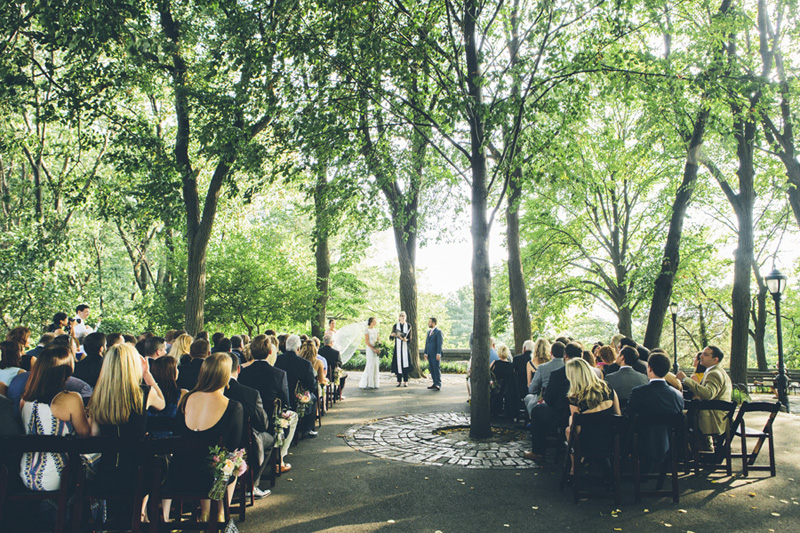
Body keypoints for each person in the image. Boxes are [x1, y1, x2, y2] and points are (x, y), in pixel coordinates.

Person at [164, 353, 244, 522]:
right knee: (233, 462)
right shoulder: (233, 407)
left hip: (179, 473)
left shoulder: (185, 399)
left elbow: (178, 432)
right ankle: (220, 512)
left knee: (208, 459)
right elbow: (232, 446)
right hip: (210, 479)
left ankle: (206, 513)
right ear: (226, 376)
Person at [89, 343, 165, 520]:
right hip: (138, 473)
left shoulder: (98, 396)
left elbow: (94, 435)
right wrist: (147, 374)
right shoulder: (144, 393)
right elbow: (162, 404)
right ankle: (140, 515)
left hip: (106, 472)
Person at [19, 346, 92, 491]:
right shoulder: (70, 398)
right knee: (100, 455)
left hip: (26, 473)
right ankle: (92, 511)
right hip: (58, 476)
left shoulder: (25, 399)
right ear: (65, 371)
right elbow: (85, 435)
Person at [239, 335, 294, 473]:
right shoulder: (279, 374)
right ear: (270, 352)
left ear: (250, 352)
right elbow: (285, 402)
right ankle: (280, 458)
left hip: (246, 421)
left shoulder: (243, 373)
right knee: (292, 417)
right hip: (270, 423)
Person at [224, 353, 273, 499]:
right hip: (245, 441)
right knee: (269, 439)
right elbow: (263, 424)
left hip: (216, 440)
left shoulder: (208, 393)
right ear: (238, 369)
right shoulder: (250, 393)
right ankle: (252, 485)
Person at [625, 352, 685, 467]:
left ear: (650, 368)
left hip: (641, 442)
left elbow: (628, 414)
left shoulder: (638, 392)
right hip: (669, 444)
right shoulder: (677, 395)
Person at [563, 357, 621, 476]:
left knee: (569, 429)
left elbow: (576, 430)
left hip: (586, 444)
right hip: (611, 441)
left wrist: (570, 421)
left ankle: (574, 467)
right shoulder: (608, 388)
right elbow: (618, 415)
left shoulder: (574, 398)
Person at [523, 342, 575, 463]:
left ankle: (538, 451)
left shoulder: (553, 372)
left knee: (536, 411)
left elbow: (544, 395)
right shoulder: (587, 372)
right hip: (577, 413)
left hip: (560, 413)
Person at [676, 346, 733, 444]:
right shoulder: (718, 371)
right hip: (717, 416)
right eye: (702, 353)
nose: (701, 356)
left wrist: (685, 380)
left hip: (713, 419)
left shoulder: (714, 373)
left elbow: (708, 394)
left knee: (678, 418)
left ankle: (691, 452)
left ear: (715, 359)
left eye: (705, 355)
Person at [275, 335, 318, 438]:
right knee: (313, 398)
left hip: (279, 396)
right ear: (298, 348)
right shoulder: (305, 364)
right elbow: (311, 385)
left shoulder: (277, 360)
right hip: (296, 397)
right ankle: (307, 429)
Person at [147, 356, 186, 438]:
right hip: (172, 442)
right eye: (176, 369)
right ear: (172, 373)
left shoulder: (148, 394)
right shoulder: (182, 394)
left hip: (149, 442)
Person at [524, 341, 566, 415]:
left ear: (551, 353)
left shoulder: (542, 368)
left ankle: (533, 420)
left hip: (547, 400)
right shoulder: (569, 367)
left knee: (528, 398)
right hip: (565, 401)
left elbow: (532, 389)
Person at [490, 344, 517, 417]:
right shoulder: (511, 365)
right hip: (507, 388)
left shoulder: (495, 363)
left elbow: (489, 372)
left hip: (496, 387)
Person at [319, 334, 346, 399]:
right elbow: (340, 365)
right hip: (333, 376)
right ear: (331, 342)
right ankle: (337, 394)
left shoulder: (319, 351)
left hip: (321, 375)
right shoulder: (336, 353)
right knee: (344, 375)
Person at [390, 311, 412, 387]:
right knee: (398, 364)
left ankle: (406, 381)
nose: (403, 317)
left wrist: (407, 340)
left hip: (405, 348)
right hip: (398, 348)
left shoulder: (408, 326)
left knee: (405, 364)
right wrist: (392, 335)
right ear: (399, 317)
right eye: (401, 316)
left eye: (404, 316)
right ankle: (399, 381)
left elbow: (410, 338)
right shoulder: (396, 326)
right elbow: (391, 337)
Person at [360, 318, 381, 389]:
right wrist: (373, 349)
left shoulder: (376, 330)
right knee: (370, 364)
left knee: (375, 364)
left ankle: (375, 383)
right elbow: (366, 341)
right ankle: (369, 383)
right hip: (370, 349)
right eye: (374, 321)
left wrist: (378, 348)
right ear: (371, 322)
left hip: (376, 349)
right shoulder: (367, 330)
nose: (375, 322)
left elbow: (378, 340)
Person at [423, 317, 443, 391]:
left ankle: (438, 384)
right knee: (431, 369)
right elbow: (427, 343)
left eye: (430, 322)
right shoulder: (429, 332)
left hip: (435, 354)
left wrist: (438, 353)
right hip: (430, 354)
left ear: (434, 323)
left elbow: (439, 343)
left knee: (436, 368)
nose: (429, 323)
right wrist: (425, 353)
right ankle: (434, 383)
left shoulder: (438, 332)